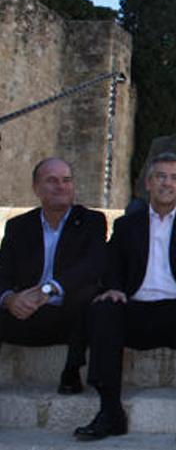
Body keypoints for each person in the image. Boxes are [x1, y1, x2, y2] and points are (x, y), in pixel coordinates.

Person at [74, 153, 176, 446]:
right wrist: (111, 288)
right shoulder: (128, 225)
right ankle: (110, 410)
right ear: (149, 183)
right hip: (135, 307)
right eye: (161, 177)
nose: (167, 183)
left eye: (174, 178)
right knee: (103, 310)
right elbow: (112, 264)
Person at [0, 158, 106, 394]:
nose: (61, 186)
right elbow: (3, 272)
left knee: (89, 294)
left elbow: (93, 265)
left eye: (67, 180)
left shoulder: (91, 221)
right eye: (52, 181)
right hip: (25, 312)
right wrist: (10, 299)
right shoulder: (19, 226)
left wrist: (49, 289)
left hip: (69, 315)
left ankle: (71, 373)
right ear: (36, 188)